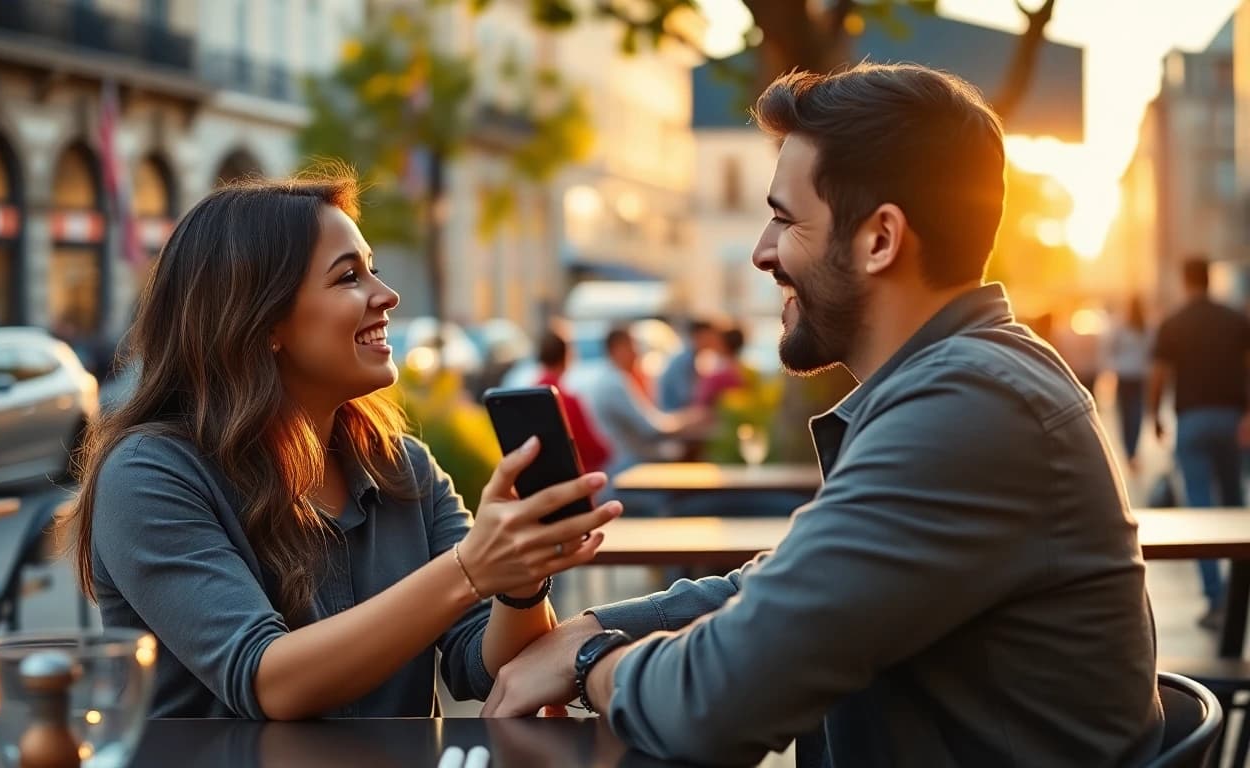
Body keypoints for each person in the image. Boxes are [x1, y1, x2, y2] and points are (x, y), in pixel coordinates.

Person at [482, 64, 1162, 767]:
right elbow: (783, 592)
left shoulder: (968, 408)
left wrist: (593, 660)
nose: (761, 251)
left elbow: (716, 703)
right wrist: (595, 625)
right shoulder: (968, 383)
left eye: (784, 218)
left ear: (880, 240)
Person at [57, 176, 623, 720]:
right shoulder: (148, 476)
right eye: (349, 276)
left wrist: (520, 584)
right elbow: (266, 680)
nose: (388, 294)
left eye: (372, 269)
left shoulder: (401, 467)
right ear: (262, 320)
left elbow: (484, 664)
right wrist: (470, 570)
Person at [1149, 256, 1250, 631]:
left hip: (1191, 420)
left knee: (1199, 508)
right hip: (1231, 420)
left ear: (1185, 281)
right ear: (1209, 280)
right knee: (1237, 508)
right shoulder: (1235, 319)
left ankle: (1217, 597)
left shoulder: (1173, 323)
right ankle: (1241, 594)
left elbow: (1158, 374)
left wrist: (1155, 416)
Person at [585, 326, 708, 481]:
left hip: (630, 464)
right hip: (629, 468)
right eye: (632, 346)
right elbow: (651, 428)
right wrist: (689, 419)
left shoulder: (614, 378)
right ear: (617, 348)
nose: (637, 353)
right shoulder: (614, 383)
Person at [534, 327, 610, 473]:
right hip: (575, 479)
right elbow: (593, 448)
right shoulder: (567, 400)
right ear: (567, 355)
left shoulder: (529, 395)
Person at [1103, 296, 1151, 471]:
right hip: (1139, 374)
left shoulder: (1120, 325)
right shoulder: (1146, 326)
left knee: (1124, 414)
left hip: (1124, 375)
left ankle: (1129, 451)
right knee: (1136, 413)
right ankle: (1133, 450)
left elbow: (1109, 347)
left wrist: (1112, 366)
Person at [658, 318, 717, 410]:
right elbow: (685, 397)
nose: (714, 342)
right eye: (710, 337)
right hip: (674, 413)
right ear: (697, 336)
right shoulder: (682, 361)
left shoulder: (693, 357)